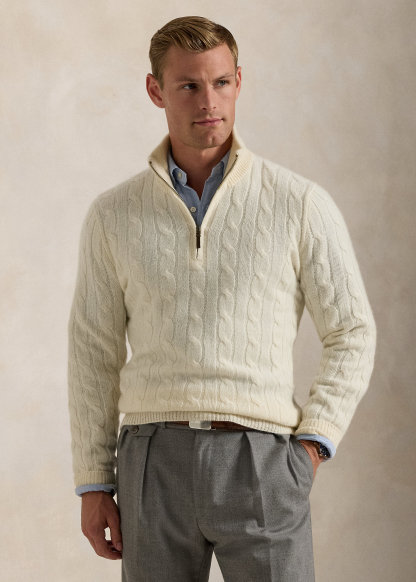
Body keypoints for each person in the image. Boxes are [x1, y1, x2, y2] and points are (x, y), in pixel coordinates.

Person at [67, 16, 377, 582]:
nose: (208, 101)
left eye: (221, 82)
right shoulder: (113, 215)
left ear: (239, 81)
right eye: (188, 85)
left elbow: (352, 331)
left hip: (261, 460)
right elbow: (93, 352)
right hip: (151, 461)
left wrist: (312, 446)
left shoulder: (298, 203)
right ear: (155, 90)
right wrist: (94, 481)